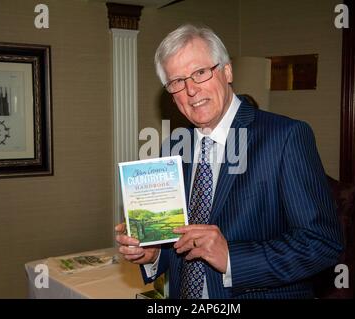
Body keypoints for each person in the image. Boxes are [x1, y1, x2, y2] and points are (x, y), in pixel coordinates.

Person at [115, 24, 343, 299]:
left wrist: (232, 259)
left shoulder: (285, 137)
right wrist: (153, 254)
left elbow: (323, 243)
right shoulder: (173, 146)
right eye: (177, 81)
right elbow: (177, 243)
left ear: (227, 71)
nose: (191, 90)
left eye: (200, 72)